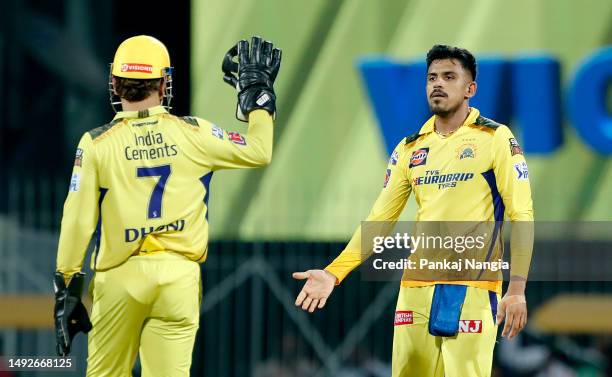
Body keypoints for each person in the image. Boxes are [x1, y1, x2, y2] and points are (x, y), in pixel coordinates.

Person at [293, 44, 533, 377]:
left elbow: (522, 214)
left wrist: (517, 289)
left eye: (449, 76)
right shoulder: (410, 148)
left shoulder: (495, 138)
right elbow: (380, 219)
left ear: (470, 89)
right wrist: (334, 272)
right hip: (415, 290)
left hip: (473, 290)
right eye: (432, 77)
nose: (438, 84)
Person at [53, 35, 281, 376]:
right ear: (164, 83)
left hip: (119, 278)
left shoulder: (96, 143)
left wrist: (68, 289)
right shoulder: (195, 132)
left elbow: (77, 221)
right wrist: (257, 96)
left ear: (114, 83)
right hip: (179, 277)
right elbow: (259, 150)